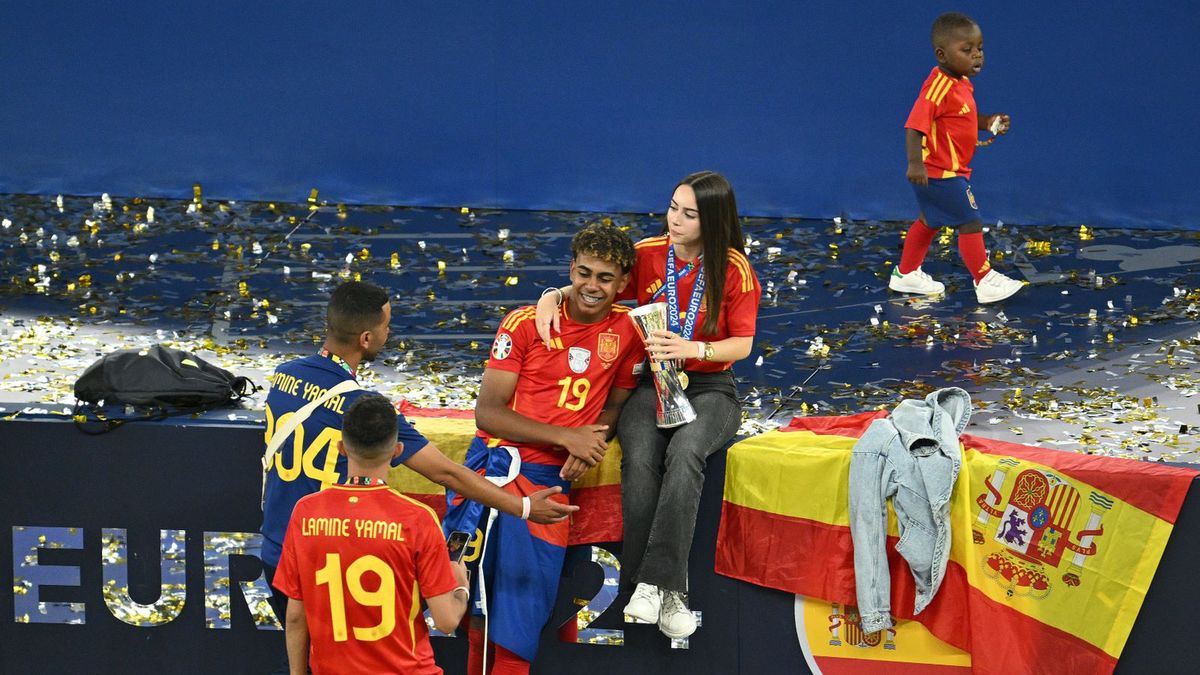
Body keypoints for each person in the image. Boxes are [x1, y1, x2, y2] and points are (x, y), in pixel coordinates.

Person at [260, 281, 576, 668]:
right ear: (365, 337)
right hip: (338, 556)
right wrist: (522, 507)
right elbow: (448, 473)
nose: (389, 332)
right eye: (387, 325)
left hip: (282, 552)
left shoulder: (282, 376)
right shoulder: (364, 411)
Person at [535, 171, 762, 640]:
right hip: (648, 385)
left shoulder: (734, 268)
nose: (673, 219)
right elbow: (600, 283)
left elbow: (741, 344)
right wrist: (552, 294)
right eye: (673, 207)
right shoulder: (648, 253)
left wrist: (693, 350)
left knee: (685, 453)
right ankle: (666, 591)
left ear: (713, 220)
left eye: (688, 214)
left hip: (711, 389)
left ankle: (654, 584)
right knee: (639, 458)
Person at [444, 222, 643, 674]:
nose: (592, 286)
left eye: (605, 278)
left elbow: (617, 401)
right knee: (477, 602)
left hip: (550, 485)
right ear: (571, 268)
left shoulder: (628, 332)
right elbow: (488, 414)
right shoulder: (525, 322)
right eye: (584, 273)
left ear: (623, 283)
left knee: (521, 611)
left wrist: (595, 435)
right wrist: (565, 436)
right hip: (495, 471)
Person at [272, 394, 469, 674]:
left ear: (341, 448)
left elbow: (295, 617)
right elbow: (447, 621)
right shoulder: (417, 519)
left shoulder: (306, 512)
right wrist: (460, 584)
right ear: (398, 451)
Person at [888, 12, 1024, 305]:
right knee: (970, 221)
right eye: (967, 50)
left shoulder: (960, 82)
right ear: (942, 54)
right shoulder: (936, 88)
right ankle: (984, 279)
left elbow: (964, 117)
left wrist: (989, 122)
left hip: (946, 171)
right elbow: (914, 127)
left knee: (928, 221)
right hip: (940, 173)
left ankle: (906, 273)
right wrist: (915, 163)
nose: (977, 55)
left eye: (979, 48)